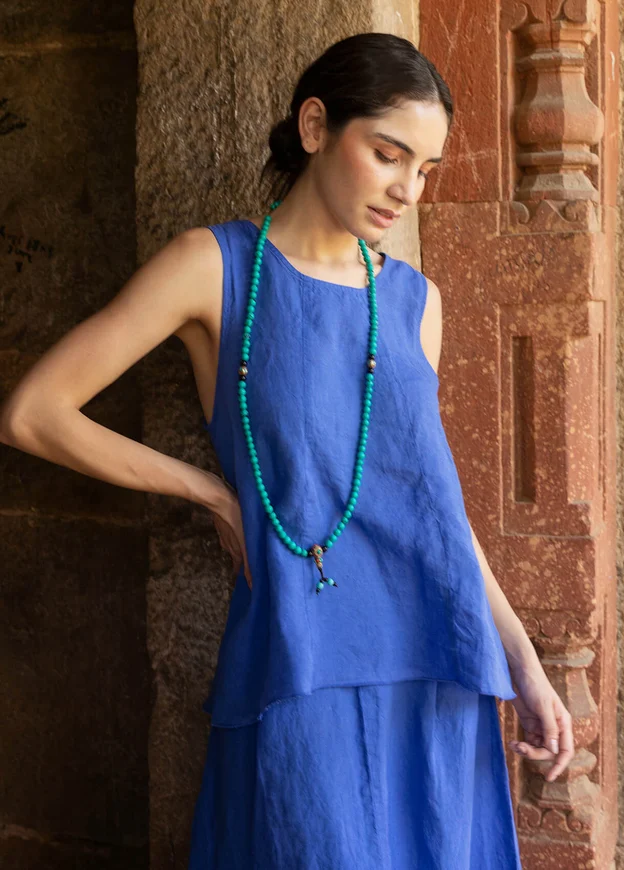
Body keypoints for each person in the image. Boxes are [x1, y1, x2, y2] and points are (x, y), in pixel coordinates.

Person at [0, 31, 573, 869]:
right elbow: (32, 413)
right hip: (299, 650)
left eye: (426, 170)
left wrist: (523, 661)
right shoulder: (215, 266)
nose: (407, 188)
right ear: (315, 126)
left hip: (436, 661)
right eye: (388, 154)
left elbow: (429, 508)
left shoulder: (415, 303)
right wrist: (210, 493)